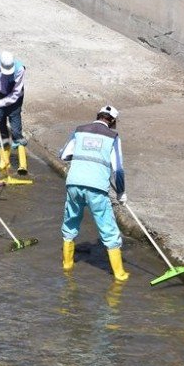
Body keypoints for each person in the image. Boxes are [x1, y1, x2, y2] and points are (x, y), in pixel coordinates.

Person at [59, 105, 128, 282]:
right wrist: (121, 192)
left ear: (98, 116)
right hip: (96, 187)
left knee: (71, 222)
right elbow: (118, 170)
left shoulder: (79, 130)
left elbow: (64, 155)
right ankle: (119, 275)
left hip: (73, 184)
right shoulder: (113, 137)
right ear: (112, 121)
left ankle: (67, 265)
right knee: (108, 229)